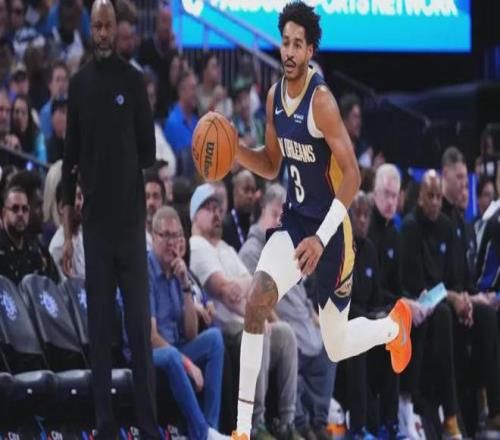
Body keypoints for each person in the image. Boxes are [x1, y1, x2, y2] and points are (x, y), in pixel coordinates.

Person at [230, 4, 412, 438]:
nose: (289, 52)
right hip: (295, 223)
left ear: (310, 50)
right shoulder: (274, 98)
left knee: (336, 343)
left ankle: (394, 326)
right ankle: (241, 429)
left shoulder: (323, 102)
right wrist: (235, 150)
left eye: (298, 44)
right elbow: (272, 164)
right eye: (285, 43)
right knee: (256, 300)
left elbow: (353, 177)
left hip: (331, 232)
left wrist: (321, 238)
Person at [61, 0, 160, 438]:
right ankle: (104, 426)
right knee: (99, 331)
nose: (102, 33)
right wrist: (69, 229)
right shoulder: (78, 84)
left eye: (108, 26)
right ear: (91, 28)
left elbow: (148, 152)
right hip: (96, 230)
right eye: (97, 26)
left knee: (139, 329)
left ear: (118, 28)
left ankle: (149, 427)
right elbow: (69, 157)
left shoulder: (134, 81)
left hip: (130, 227)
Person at [189, 183, 300, 439]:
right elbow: (224, 291)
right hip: (224, 327)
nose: (217, 214)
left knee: (286, 333)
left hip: (243, 319)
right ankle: (256, 423)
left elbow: (257, 285)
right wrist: (245, 288)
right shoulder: (197, 246)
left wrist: (248, 289)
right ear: (194, 215)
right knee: (256, 330)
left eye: (219, 208)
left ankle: (287, 421)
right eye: (208, 208)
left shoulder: (226, 249)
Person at [239, 183, 336, 440]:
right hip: (283, 326)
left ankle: (318, 422)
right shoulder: (251, 251)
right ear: (262, 212)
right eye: (274, 214)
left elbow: (303, 298)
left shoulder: (289, 247)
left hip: (304, 324)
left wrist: (319, 320)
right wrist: (280, 322)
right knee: (290, 341)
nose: (279, 222)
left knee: (332, 345)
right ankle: (297, 422)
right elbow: (256, 300)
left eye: (284, 217)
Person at [148, 206, 228, 440]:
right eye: (166, 236)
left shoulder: (177, 270)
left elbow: (191, 334)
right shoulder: (145, 272)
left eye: (176, 236)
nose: (172, 243)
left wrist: (185, 286)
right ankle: (202, 433)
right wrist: (187, 363)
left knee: (214, 339)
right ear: (153, 237)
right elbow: (150, 337)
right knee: (172, 356)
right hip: (147, 354)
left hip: (175, 349)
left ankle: (210, 427)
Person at [0, 185, 59, 283]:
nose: (20, 214)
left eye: (25, 209)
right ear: (3, 213)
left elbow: (54, 284)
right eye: (15, 209)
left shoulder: (38, 250)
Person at [222, 170, 257, 252]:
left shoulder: (257, 227)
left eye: (253, 191)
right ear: (235, 192)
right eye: (246, 190)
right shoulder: (223, 226)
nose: (250, 195)